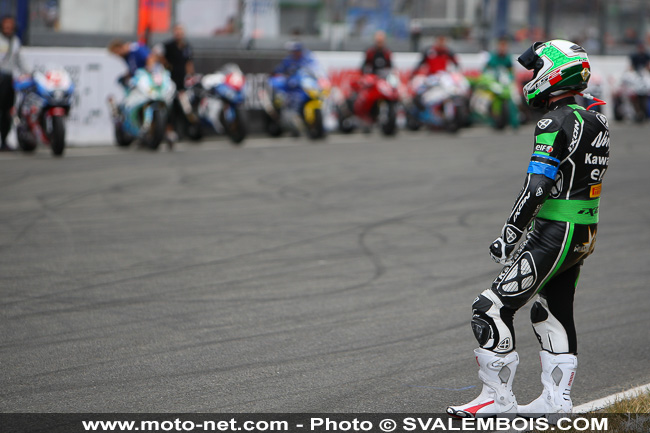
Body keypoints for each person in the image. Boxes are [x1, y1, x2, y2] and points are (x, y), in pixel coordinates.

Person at [447, 40, 609, 419]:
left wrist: (509, 233)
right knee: (553, 311)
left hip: (556, 230)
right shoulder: (595, 116)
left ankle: (496, 401)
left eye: (536, 68)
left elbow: (538, 185)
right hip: (583, 229)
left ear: (555, 72)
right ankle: (556, 402)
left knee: (489, 309)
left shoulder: (555, 120)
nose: (531, 76)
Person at [155, 24, 196, 140]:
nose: (178, 34)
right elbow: (157, 54)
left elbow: (189, 62)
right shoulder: (168, 45)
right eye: (176, 32)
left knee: (183, 105)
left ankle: (183, 131)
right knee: (170, 105)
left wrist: (191, 76)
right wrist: (166, 65)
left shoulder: (186, 46)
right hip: (170, 80)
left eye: (180, 32)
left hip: (182, 80)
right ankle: (168, 130)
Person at [0, 15, 27, 152]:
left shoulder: (15, 42)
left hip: (9, 80)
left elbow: (20, 62)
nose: (8, 28)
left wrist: (28, 73)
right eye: (5, 26)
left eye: (10, 26)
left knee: (7, 112)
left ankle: (3, 140)